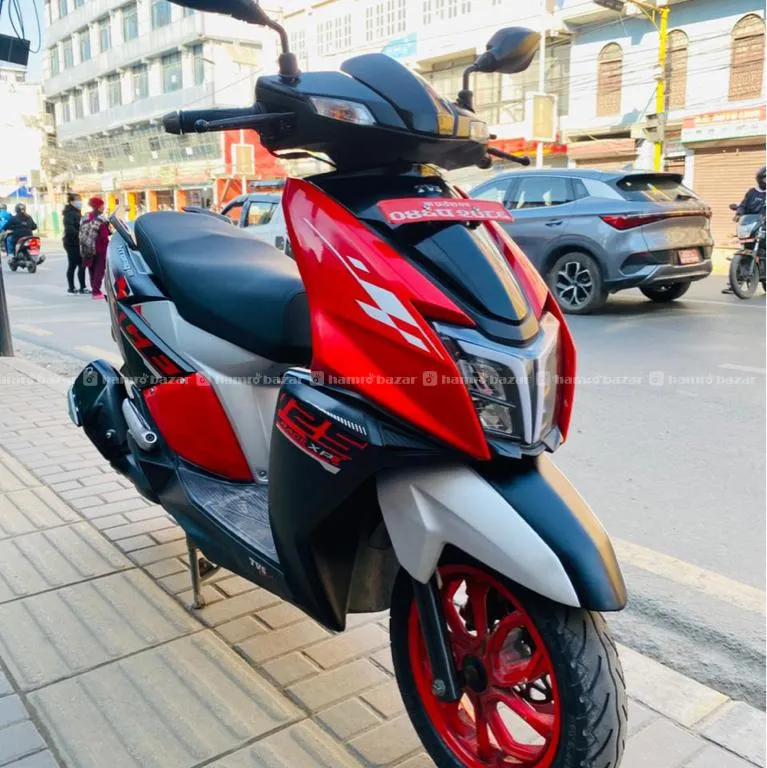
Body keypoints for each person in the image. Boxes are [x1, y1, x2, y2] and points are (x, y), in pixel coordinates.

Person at [723, 167, 766, 294]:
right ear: (760, 179)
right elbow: (743, 205)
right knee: (746, 252)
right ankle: (735, 284)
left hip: (764, 227)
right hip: (751, 227)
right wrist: (738, 213)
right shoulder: (752, 192)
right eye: (765, 178)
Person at [79, 197, 110, 300]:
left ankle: (94, 289)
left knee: (91, 268)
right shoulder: (101, 219)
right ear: (99, 206)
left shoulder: (85, 217)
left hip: (86, 246)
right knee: (99, 270)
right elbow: (104, 236)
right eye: (102, 205)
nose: (104, 207)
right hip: (99, 247)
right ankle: (96, 292)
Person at [63, 193, 87, 295]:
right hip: (72, 243)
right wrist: (80, 235)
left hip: (77, 242)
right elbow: (69, 229)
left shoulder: (76, 212)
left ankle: (81, 287)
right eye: (77, 200)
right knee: (75, 265)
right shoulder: (70, 213)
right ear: (71, 202)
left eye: (80, 200)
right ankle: (72, 288)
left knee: (80, 265)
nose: (80, 202)